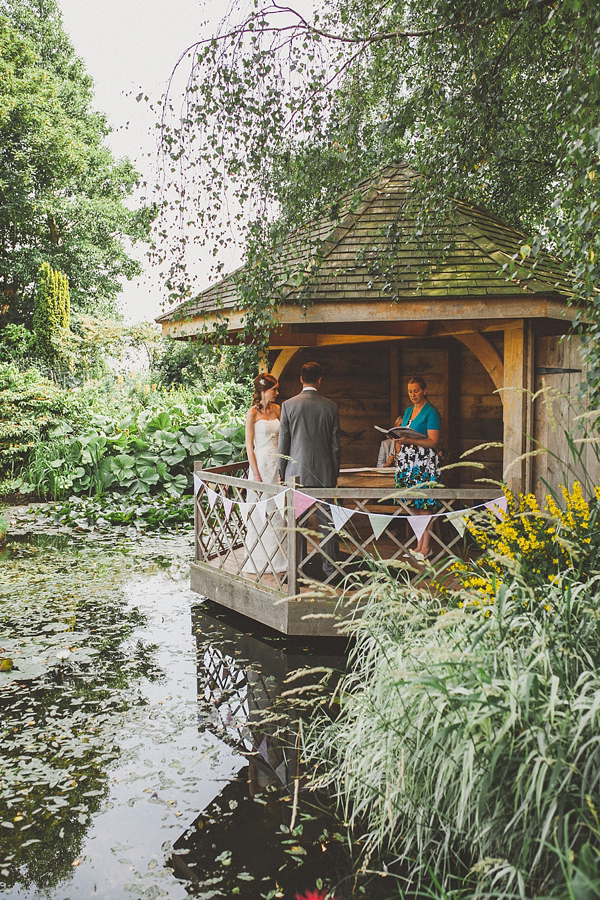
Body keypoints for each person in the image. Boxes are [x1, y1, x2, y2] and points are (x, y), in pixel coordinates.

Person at [278, 361, 341, 579]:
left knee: (298, 524)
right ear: (320, 380)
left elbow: (283, 444)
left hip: (295, 476)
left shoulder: (288, 405)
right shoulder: (331, 407)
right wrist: (334, 473)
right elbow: (335, 446)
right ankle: (330, 571)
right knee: (327, 525)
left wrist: (281, 472)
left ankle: (297, 570)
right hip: (324, 474)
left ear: (300, 379)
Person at [242, 373, 286, 575]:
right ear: (263, 391)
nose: (277, 393)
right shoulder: (252, 413)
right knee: (261, 512)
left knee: (278, 510)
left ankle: (280, 559)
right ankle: (259, 560)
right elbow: (249, 446)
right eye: (273, 389)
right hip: (260, 463)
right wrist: (256, 474)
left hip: (277, 463)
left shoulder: (278, 409)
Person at [393, 375, 442, 558]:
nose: (413, 394)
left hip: (424, 461)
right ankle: (418, 545)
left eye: (416, 391)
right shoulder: (408, 411)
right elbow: (403, 431)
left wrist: (409, 440)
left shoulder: (431, 412)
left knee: (425, 503)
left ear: (424, 391)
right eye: (410, 391)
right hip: (408, 461)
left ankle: (426, 547)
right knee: (414, 504)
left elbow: (433, 441)